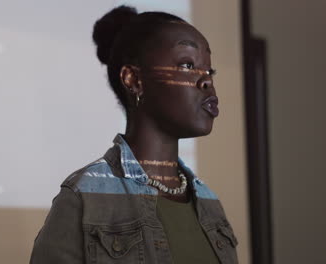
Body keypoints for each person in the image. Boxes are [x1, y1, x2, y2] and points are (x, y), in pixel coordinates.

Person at [30, 5, 238, 264]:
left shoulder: (209, 203)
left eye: (209, 71)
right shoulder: (84, 197)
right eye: (187, 64)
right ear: (134, 80)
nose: (206, 81)